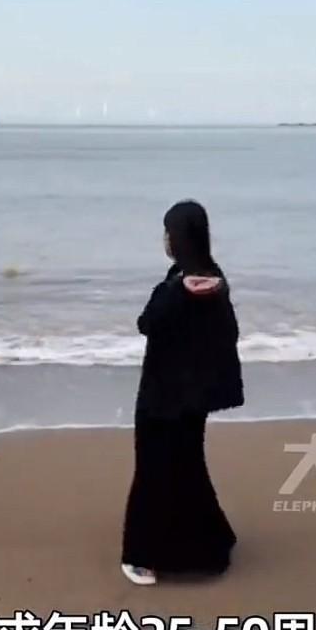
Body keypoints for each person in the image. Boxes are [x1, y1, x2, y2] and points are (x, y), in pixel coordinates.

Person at [121, 200, 244, 586]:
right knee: (187, 467)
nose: (165, 239)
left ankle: (142, 557)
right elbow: (229, 334)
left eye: (168, 233)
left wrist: (177, 292)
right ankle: (212, 545)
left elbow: (147, 322)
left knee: (153, 472)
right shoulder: (213, 277)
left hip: (162, 397)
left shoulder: (184, 283)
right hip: (193, 399)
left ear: (178, 238)